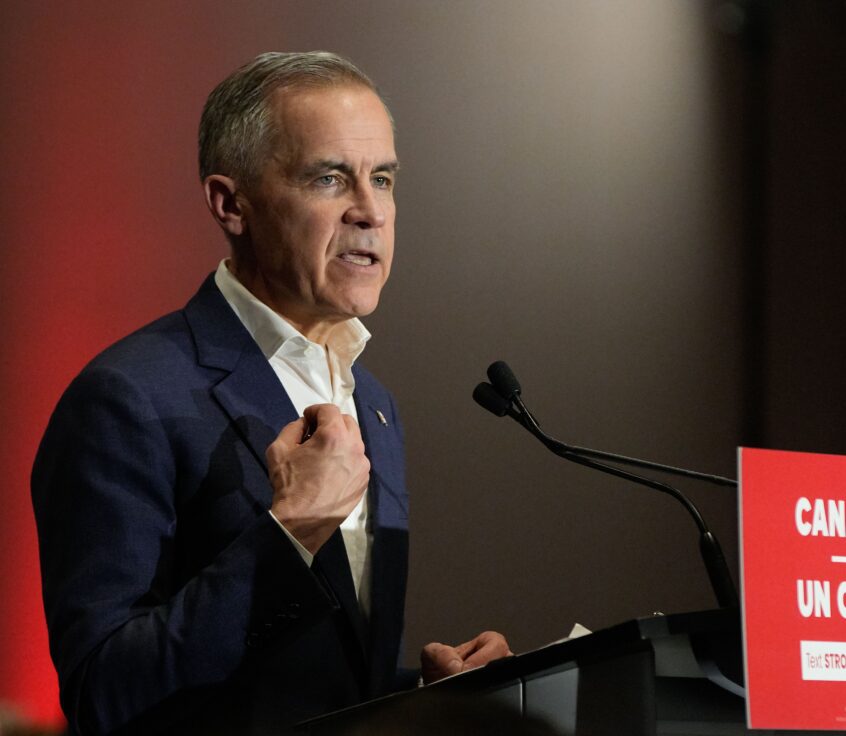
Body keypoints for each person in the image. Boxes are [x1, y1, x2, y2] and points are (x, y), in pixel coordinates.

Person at [31, 51, 510, 736]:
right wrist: (289, 538)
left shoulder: (372, 402)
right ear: (232, 204)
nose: (371, 211)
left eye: (382, 178)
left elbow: (308, 688)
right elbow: (104, 693)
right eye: (328, 178)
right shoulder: (127, 400)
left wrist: (426, 694)